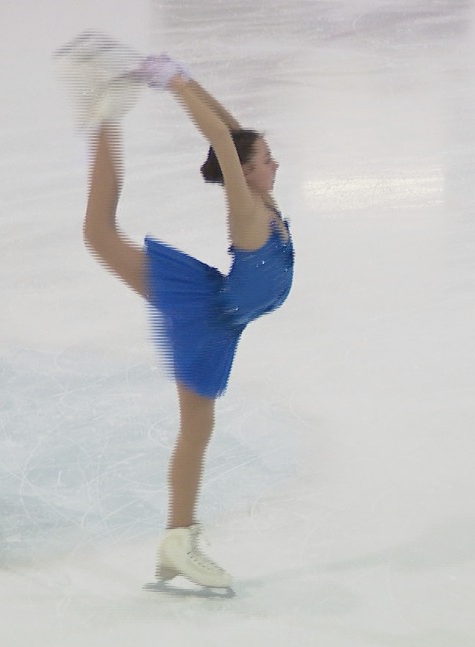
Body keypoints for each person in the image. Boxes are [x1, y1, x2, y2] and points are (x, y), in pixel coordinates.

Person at [65, 40, 294, 591]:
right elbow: (222, 140)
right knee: (196, 428)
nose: (275, 162)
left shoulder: (261, 197)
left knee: (100, 235)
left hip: (219, 314)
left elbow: (231, 134)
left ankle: (177, 538)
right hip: (208, 317)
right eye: (266, 160)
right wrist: (173, 82)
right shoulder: (247, 210)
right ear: (246, 173)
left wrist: (188, 76)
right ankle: (177, 538)